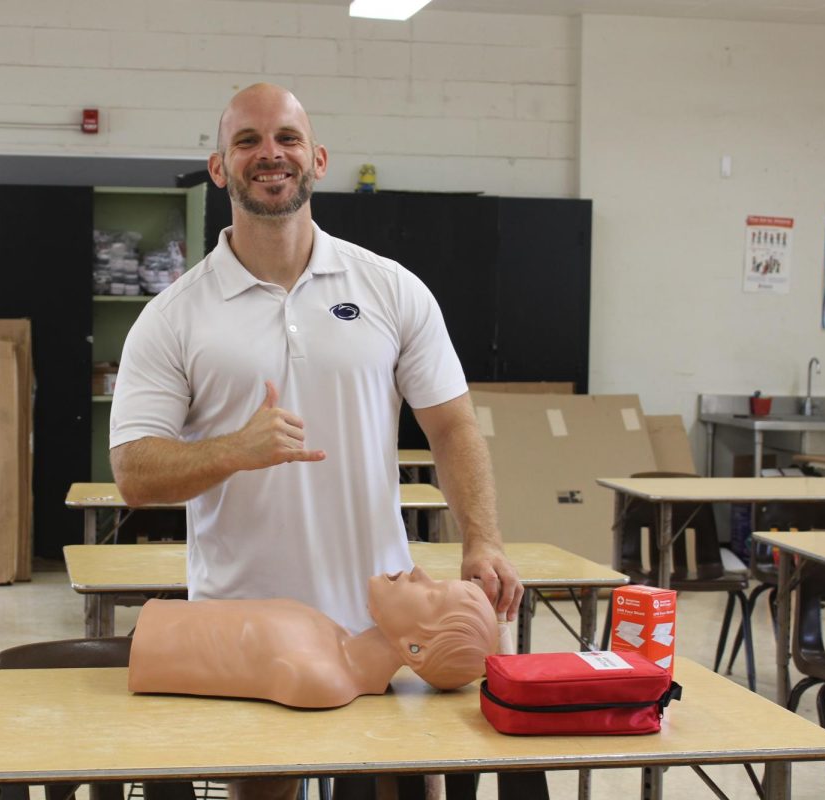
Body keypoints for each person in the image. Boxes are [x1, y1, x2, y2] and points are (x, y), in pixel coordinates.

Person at [109, 78, 524, 800]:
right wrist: (234, 449)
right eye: (247, 141)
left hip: (386, 619)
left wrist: (482, 539)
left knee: (401, 790)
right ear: (219, 168)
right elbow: (134, 473)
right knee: (263, 792)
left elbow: (452, 424)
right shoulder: (175, 315)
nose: (270, 155)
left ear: (318, 159)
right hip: (245, 624)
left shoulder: (390, 289)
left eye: (286, 139)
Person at [128, 567, 510, 709]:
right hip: (145, 638)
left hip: (141, 658)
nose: (420, 572)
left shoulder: (323, 677)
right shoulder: (333, 635)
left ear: (416, 648)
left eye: (432, 595)